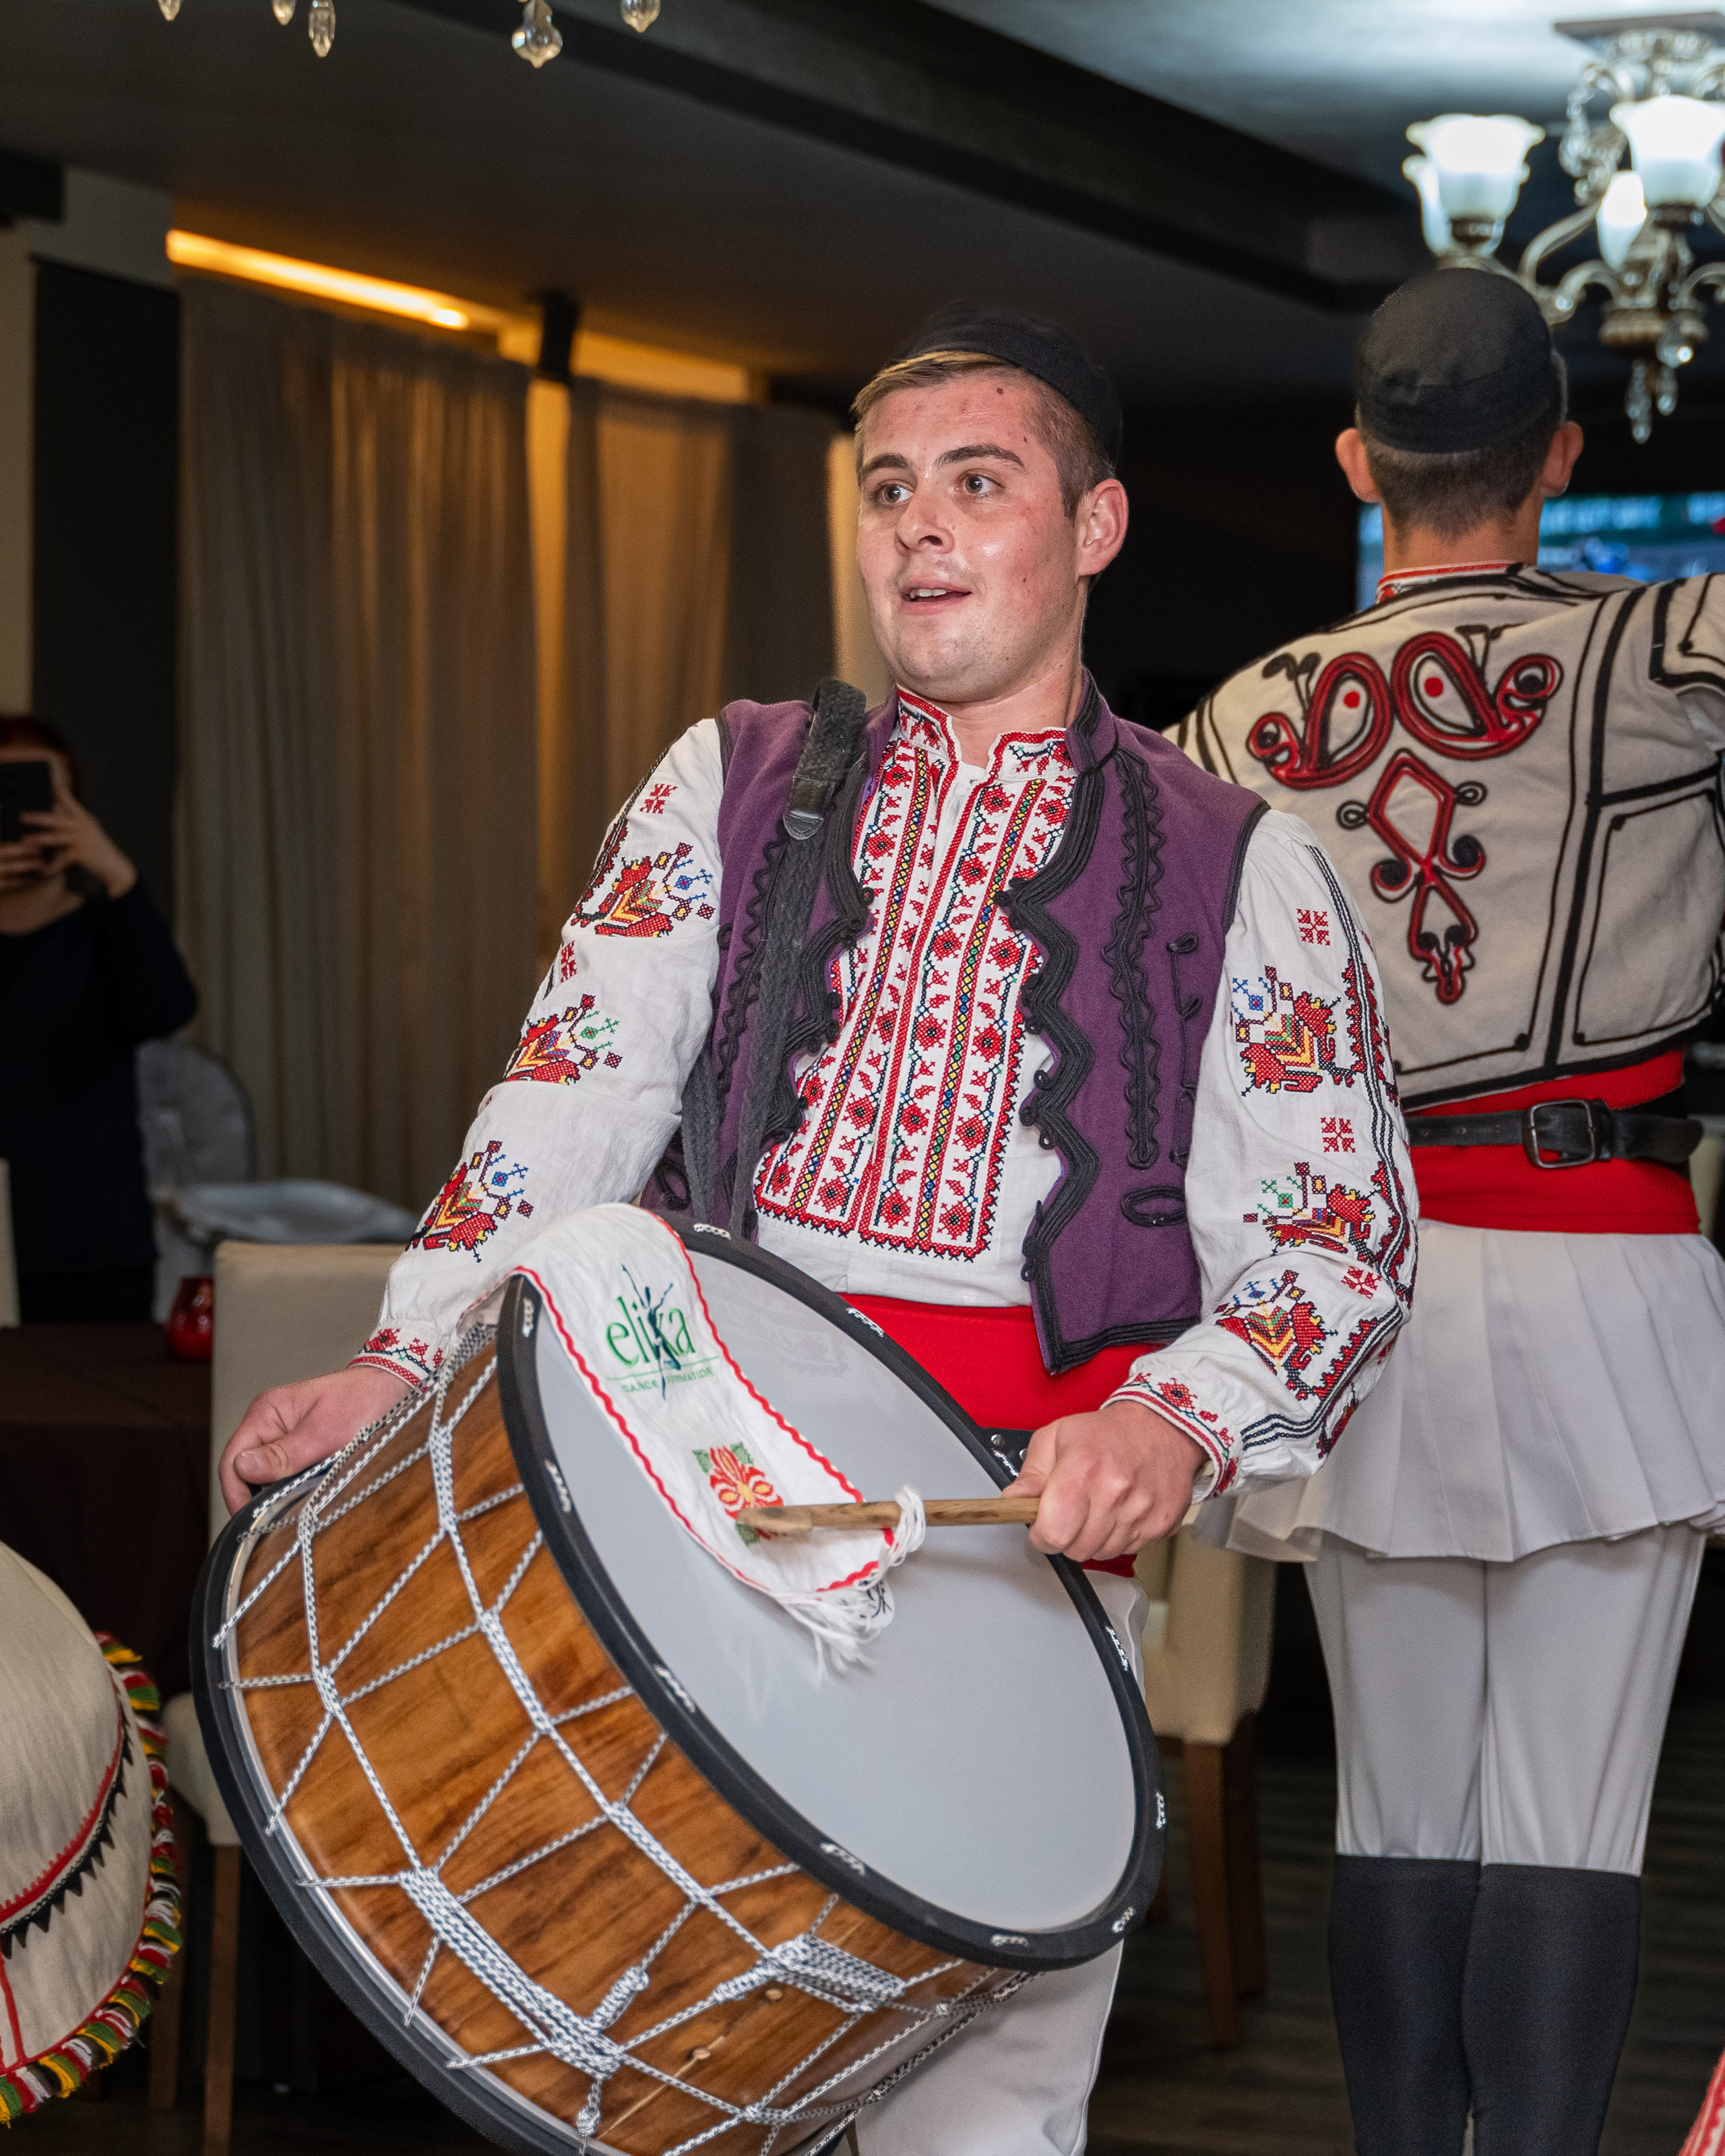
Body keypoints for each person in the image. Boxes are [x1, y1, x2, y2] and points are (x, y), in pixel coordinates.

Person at [220, 305, 1415, 2153]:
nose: (920, 530)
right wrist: (400, 1363)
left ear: (1093, 529)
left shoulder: (1242, 863)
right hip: (695, 1491)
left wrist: (1176, 1424)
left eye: (978, 484)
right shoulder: (733, 778)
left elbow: (1343, 1250)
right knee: (657, 2052)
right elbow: (570, 1101)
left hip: (1022, 1534)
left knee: (989, 2113)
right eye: (887, 491)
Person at [1180, 270, 1725, 2156]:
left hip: (1366, 1294)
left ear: (1358, 462)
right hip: (1615, 1282)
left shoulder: (1231, 728)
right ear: (1562, 454)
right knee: (1572, 1821)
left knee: (1398, 1813)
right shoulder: (1674, 646)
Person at [0, 717, 197, 1321]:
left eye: (45, 797)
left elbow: (167, 1008)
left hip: (92, 1246)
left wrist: (118, 874)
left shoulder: (105, 928)